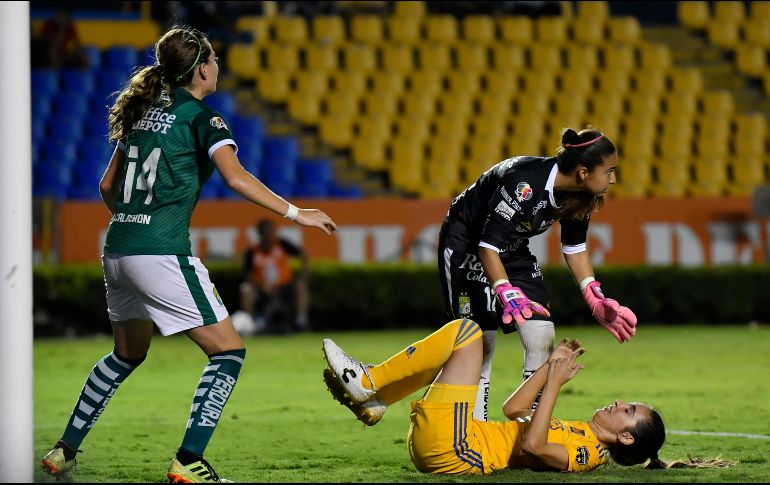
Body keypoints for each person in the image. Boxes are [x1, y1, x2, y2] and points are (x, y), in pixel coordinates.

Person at [39, 25, 337, 483]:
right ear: (202, 69)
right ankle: (188, 460)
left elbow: (106, 186)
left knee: (125, 355)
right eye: (215, 59)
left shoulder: (140, 113)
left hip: (117, 248)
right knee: (229, 353)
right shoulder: (204, 118)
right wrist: (297, 213)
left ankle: (63, 450)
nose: (218, 66)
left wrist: (133, 227)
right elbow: (237, 179)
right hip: (161, 253)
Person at [321, 319, 734, 474]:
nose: (618, 403)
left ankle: (369, 381)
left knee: (466, 335)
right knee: (458, 346)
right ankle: (376, 400)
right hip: (452, 441)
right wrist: (549, 368)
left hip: (458, 447)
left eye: (627, 411)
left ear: (626, 437)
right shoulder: (578, 431)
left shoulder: (586, 456)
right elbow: (514, 409)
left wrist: (553, 385)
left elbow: (535, 447)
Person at [437, 127, 638, 421]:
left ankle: (530, 429)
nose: (613, 178)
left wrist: (593, 296)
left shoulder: (581, 195)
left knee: (541, 333)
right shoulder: (524, 183)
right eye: (609, 171)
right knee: (479, 342)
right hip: (466, 243)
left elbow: (574, 247)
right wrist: (505, 290)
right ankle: (472, 430)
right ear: (584, 172)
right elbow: (487, 246)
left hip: (511, 247)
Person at [239, 217, 310, 334]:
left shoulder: (282, 244)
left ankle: (301, 321)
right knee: (245, 289)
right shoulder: (252, 251)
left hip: (285, 287)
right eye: (266, 233)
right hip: (262, 289)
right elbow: (248, 275)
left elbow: (304, 256)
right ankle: (252, 323)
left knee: (301, 285)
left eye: (272, 232)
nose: (270, 237)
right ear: (260, 234)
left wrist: (304, 275)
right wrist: (262, 286)